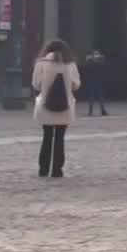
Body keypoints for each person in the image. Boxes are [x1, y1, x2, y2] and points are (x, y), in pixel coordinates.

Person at [32, 40, 81, 178]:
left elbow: (36, 84)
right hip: (64, 106)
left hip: (46, 105)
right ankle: (57, 170)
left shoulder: (41, 63)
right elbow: (76, 84)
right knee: (60, 138)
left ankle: (43, 169)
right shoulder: (70, 64)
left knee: (47, 137)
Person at [82, 49, 110, 116]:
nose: (96, 56)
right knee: (92, 98)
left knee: (100, 97)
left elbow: (104, 68)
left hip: (98, 82)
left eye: (97, 54)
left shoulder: (99, 63)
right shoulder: (89, 63)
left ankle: (102, 110)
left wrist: (101, 59)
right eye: (95, 54)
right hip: (91, 82)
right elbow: (86, 70)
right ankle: (91, 111)